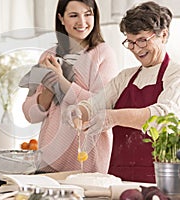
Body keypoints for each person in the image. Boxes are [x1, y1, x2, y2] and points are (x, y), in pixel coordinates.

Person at [65, 1, 180, 183]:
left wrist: (112, 118)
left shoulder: (176, 74)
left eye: (142, 40)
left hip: (161, 181)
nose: (136, 49)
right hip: (119, 182)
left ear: (164, 35)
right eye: (131, 42)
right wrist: (79, 112)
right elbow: (94, 105)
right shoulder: (125, 77)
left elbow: (162, 117)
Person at [21, 0, 118, 173]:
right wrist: (49, 88)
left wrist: (59, 80)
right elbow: (31, 114)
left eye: (88, 14)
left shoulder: (104, 54)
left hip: (88, 156)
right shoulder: (49, 56)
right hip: (50, 155)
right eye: (73, 15)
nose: (82, 22)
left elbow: (101, 104)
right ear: (61, 19)